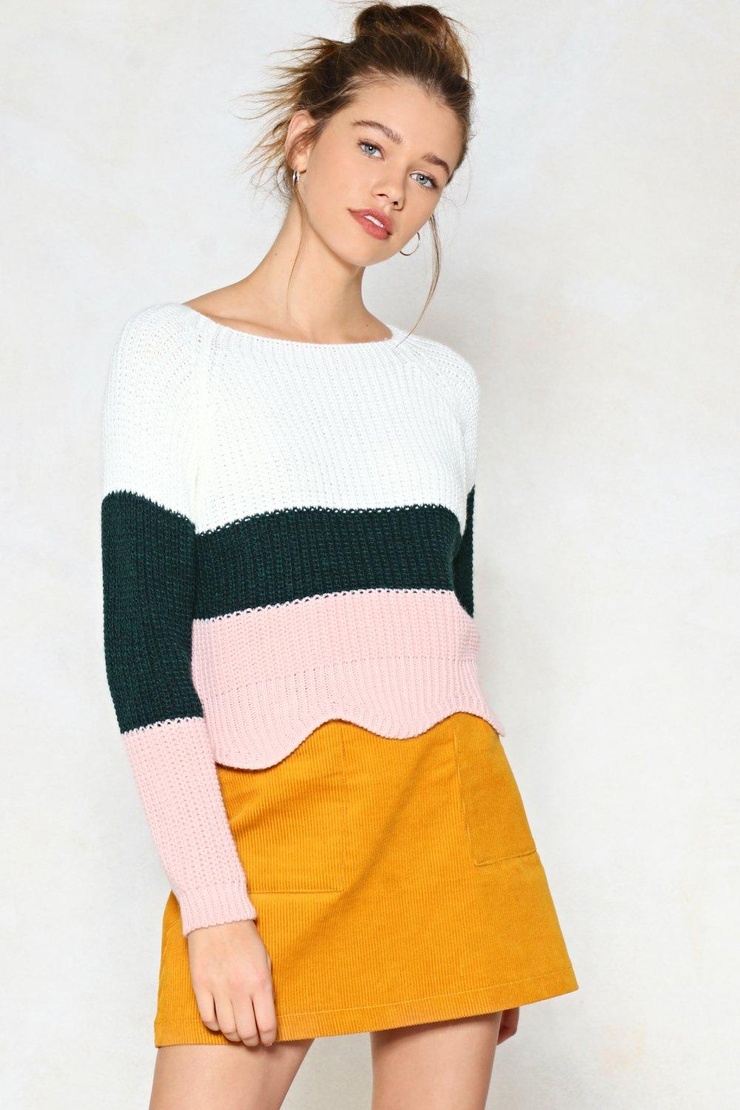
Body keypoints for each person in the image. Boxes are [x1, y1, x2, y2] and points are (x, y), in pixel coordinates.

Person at [100, 3, 579, 1107]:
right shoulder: (174, 354)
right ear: (302, 138)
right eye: (372, 146)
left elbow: (447, 635)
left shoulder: (440, 385)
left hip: (445, 823)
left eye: (428, 176)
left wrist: (484, 905)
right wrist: (214, 908)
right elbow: (143, 654)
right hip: (268, 829)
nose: (393, 191)